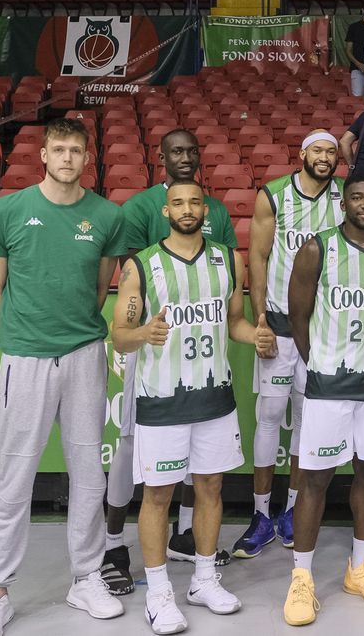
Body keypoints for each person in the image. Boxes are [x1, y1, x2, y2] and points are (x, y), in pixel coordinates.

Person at [0, 118, 127, 636]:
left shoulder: (106, 215)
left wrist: (69, 333)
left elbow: (99, 289)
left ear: (87, 158)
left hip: (85, 355)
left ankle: (86, 578)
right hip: (26, 359)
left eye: (75, 150)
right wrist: (27, 337)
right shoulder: (7, 211)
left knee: (89, 474)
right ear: (43, 155)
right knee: (15, 476)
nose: (67, 158)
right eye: (58, 149)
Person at [112, 180, 273, 634]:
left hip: (214, 399)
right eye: (178, 203)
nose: (187, 209)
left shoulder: (228, 259)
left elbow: (235, 322)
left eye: (195, 203)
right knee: (158, 495)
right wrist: (143, 334)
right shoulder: (141, 265)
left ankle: (203, 579)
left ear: (206, 209)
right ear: (166, 211)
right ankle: (159, 592)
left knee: (211, 487)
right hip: (162, 402)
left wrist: (256, 336)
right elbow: (119, 336)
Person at [105, 128, 239, 591]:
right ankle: (113, 544)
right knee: (134, 453)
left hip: (205, 366)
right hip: (155, 359)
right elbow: (132, 295)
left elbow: (224, 283)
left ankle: (188, 544)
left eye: (190, 150)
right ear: (161, 157)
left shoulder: (216, 214)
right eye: (175, 151)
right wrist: (143, 331)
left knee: (203, 471)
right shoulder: (140, 212)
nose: (184, 156)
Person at [281, 175, 364, 626]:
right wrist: (320, 362)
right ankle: (301, 577)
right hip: (329, 385)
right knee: (315, 479)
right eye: (357, 197)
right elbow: (297, 316)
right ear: (344, 204)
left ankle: (359, 568)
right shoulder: (317, 249)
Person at [236, 131, 344, 560]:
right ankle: (261, 514)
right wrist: (260, 317)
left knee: (305, 420)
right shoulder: (274, 195)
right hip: (279, 324)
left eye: (331, 151)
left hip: (321, 329)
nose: (324, 157)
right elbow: (258, 256)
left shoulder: (345, 197)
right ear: (302, 154)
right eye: (317, 150)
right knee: (269, 416)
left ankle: (294, 511)